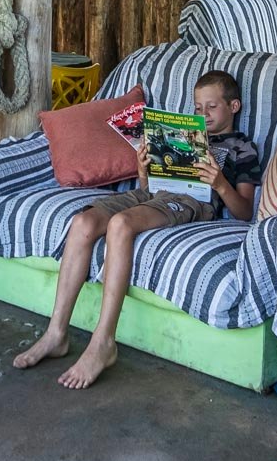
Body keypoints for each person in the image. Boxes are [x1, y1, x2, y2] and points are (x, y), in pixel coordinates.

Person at [13, 70, 261, 389]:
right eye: (198, 108)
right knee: (83, 221)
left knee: (120, 225)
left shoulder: (242, 147)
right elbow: (148, 189)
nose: (204, 114)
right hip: (154, 194)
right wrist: (143, 169)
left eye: (212, 107)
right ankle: (56, 333)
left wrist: (220, 184)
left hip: (192, 202)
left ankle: (103, 342)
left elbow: (244, 212)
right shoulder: (184, 134)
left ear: (234, 106)